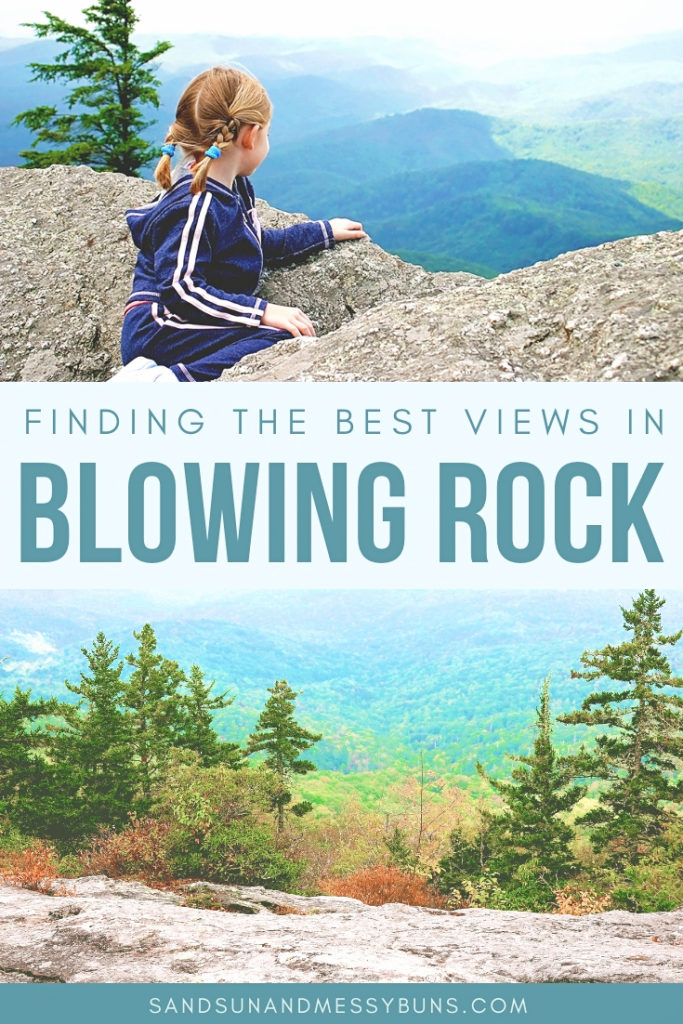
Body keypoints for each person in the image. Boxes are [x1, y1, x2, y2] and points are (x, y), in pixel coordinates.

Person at [113, 66, 366, 382]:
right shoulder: (197, 204)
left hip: (181, 321)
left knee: (283, 334)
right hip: (161, 332)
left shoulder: (233, 184)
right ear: (251, 135)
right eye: (268, 133)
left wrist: (321, 233)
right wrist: (260, 311)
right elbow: (181, 290)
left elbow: (255, 244)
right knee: (282, 338)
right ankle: (164, 383)